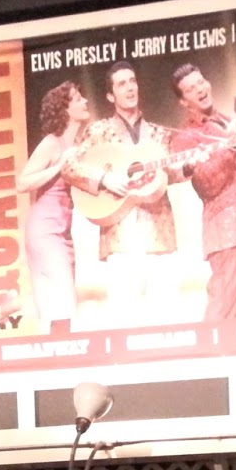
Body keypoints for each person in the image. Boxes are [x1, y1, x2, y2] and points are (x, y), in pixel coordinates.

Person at [63, 62, 184, 325]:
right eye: (122, 84)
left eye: (132, 81)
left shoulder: (157, 133)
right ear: (110, 96)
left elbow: (172, 174)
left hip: (158, 233)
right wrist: (104, 178)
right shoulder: (99, 132)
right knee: (124, 321)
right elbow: (69, 166)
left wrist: (186, 167)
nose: (130, 88)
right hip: (118, 234)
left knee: (165, 320)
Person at [169, 63, 236, 320]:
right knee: (223, 311)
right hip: (226, 232)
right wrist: (229, 146)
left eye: (200, 82)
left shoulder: (227, 121)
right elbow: (208, 184)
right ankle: (206, 358)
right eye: (190, 89)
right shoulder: (186, 138)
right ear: (184, 102)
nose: (199, 89)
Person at [16, 81, 90, 333]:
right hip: (44, 231)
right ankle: (60, 354)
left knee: (57, 302)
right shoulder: (52, 143)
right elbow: (22, 182)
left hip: (63, 233)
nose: (85, 102)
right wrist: (59, 166)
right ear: (65, 109)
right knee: (64, 300)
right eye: (78, 99)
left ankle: (13, 306)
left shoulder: (77, 147)